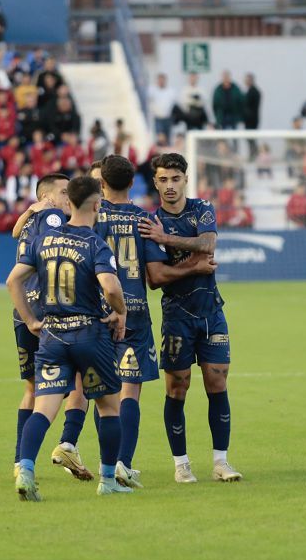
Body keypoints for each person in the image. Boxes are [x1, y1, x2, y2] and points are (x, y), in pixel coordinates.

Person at [93, 155, 217, 487]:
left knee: (104, 391)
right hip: (133, 312)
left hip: (96, 312)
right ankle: (123, 464)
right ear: (134, 183)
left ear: (101, 183)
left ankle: (105, 465)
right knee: (130, 391)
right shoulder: (143, 220)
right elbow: (155, 274)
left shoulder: (91, 216)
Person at [6, 175, 133, 499]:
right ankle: (108, 481)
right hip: (89, 335)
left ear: (69, 203)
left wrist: (32, 319)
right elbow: (111, 286)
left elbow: (13, 282)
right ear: (96, 204)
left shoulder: (44, 240)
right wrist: (119, 311)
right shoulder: (94, 244)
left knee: (43, 409)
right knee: (108, 407)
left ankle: (26, 471)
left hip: (51, 336)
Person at [138, 153, 242, 483]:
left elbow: (207, 243)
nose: (170, 186)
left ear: (185, 179)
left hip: (212, 312)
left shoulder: (201, 209)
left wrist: (167, 240)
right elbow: (155, 278)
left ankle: (221, 462)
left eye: (175, 179)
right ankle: (181, 465)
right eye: (163, 180)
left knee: (217, 383)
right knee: (177, 388)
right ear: (155, 182)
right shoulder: (149, 223)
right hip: (177, 316)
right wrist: (193, 265)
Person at [8, 174, 96, 482]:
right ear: (48, 197)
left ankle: (21, 461)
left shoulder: (31, 219)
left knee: (32, 389)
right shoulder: (55, 217)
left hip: (22, 311)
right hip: (49, 314)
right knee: (81, 380)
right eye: (63, 191)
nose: (68, 195)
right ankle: (67, 442)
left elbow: (15, 232)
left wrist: (30, 210)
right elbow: (55, 256)